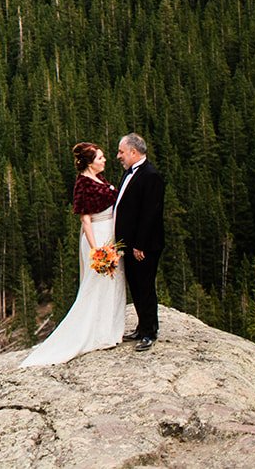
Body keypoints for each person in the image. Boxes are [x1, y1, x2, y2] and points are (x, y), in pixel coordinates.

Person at [21, 142, 126, 367]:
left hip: (110, 233)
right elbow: (85, 219)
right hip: (97, 235)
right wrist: (96, 247)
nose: (105, 160)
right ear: (89, 162)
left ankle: (110, 330)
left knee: (113, 283)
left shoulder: (100, 179)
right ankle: (94, 332)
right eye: (100, 158)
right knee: (96, 283)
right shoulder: (83, 183)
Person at [115, 132, 166, 350]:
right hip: (130, 244)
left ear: (134, 152)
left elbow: (150, 214)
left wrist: (140, 245)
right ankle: (141, 326)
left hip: (144, 245)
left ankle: (150, 332)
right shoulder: (130, 173)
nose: (118, 156)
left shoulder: (150, 175)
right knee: (136, 286)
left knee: (145, 286)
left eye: (121, 152)